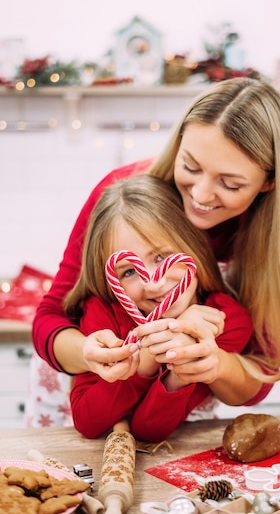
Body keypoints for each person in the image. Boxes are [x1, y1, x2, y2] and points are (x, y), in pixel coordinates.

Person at [33, 76, 280, 413]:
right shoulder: (122, 198)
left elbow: (257, 375)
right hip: (88, 397)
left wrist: (214, 363)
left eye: (231, 184)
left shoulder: (263, 242)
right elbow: (50, 317)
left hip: (176, 414)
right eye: (190, 166)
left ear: (269, 182)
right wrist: (87, 352)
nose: (202, 195)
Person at [66, 174, 254, 440]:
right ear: (111, 279)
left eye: (162, 257)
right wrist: (147, 359)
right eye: (130, 271)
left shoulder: (225, 321)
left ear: (192, 245)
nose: (153, 283)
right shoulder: (102, 312)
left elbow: (149, 431)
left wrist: (181, 357)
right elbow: (87, 421)